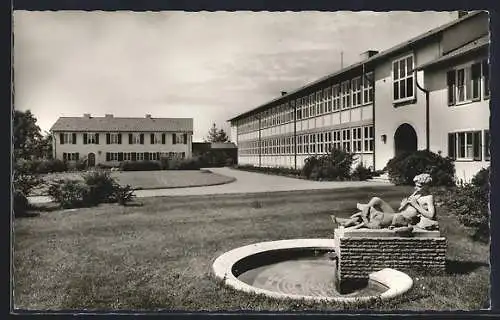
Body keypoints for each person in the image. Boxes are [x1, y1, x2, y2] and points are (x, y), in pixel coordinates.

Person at [332, 173, 437, 230]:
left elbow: (431, 215)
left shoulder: (428, 197)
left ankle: (345, 221)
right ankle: (363, 210)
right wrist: (403, 205)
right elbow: (401, 209)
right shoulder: (416, 194)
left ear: (426, 186)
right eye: (416, 185)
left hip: (401, 220)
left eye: (419, 186)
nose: (416, 187)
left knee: (374, 215)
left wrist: (415, 205)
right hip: (398, 214)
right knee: (376, 199)